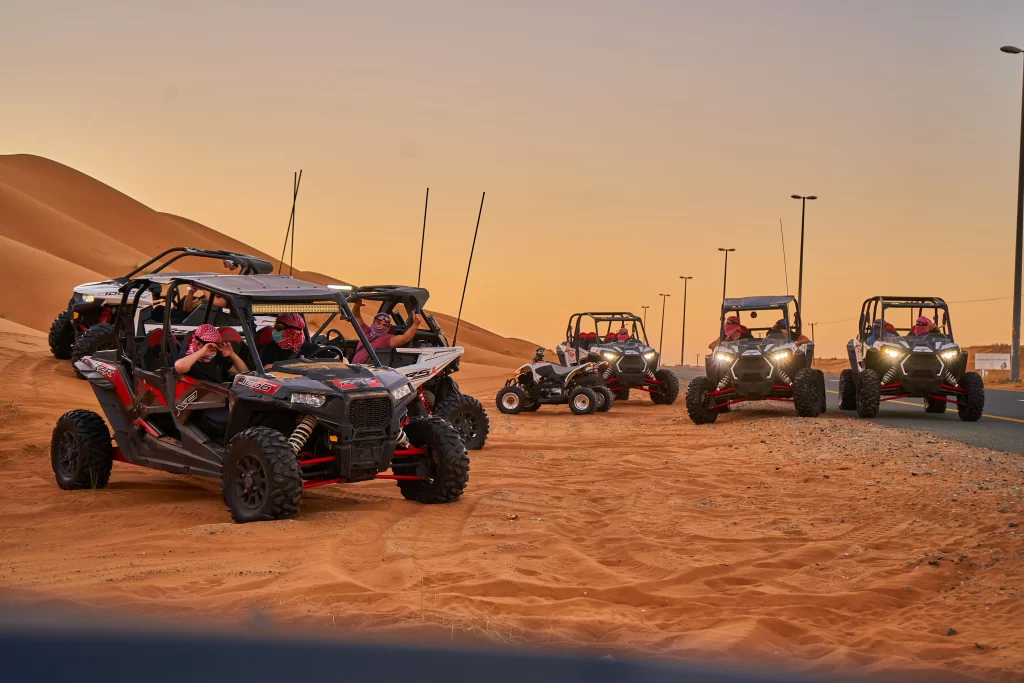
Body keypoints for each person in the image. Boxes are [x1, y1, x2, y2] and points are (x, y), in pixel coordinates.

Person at [350, 299, 424, 364]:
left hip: (366, 372)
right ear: (374, 322)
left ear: (388, 327)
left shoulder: (387, 339)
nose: (380, 327)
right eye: (378, 323)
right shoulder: (365, 331)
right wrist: (357, 305)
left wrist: (416, 324)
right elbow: (356, 316)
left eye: (384, 325)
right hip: (353, 368)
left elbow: (404, 338)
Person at [174, 324, 247, 383]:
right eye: (211, 345)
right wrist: (202, 352)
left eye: (217, 344)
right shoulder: (189, 358)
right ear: (199, 344)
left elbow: (245, 373)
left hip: (218, 396)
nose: (214, 348)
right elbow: (179, 367)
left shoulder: (217, 358)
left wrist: (232, 354)